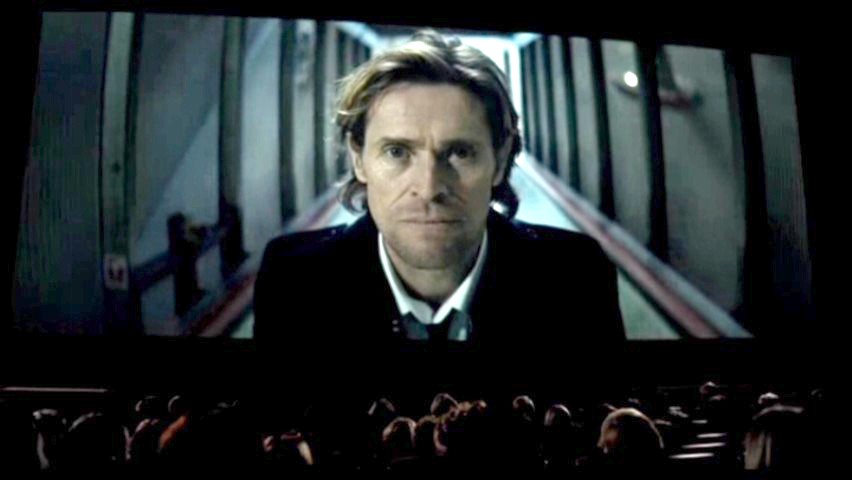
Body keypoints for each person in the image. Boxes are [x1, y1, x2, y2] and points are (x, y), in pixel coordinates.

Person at [253, 30, 624, 384]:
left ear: (499, 160)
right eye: (397, 152)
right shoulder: (293, 281)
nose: (429, 188)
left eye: (460, 152)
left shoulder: (577, 278)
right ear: (358, 159)